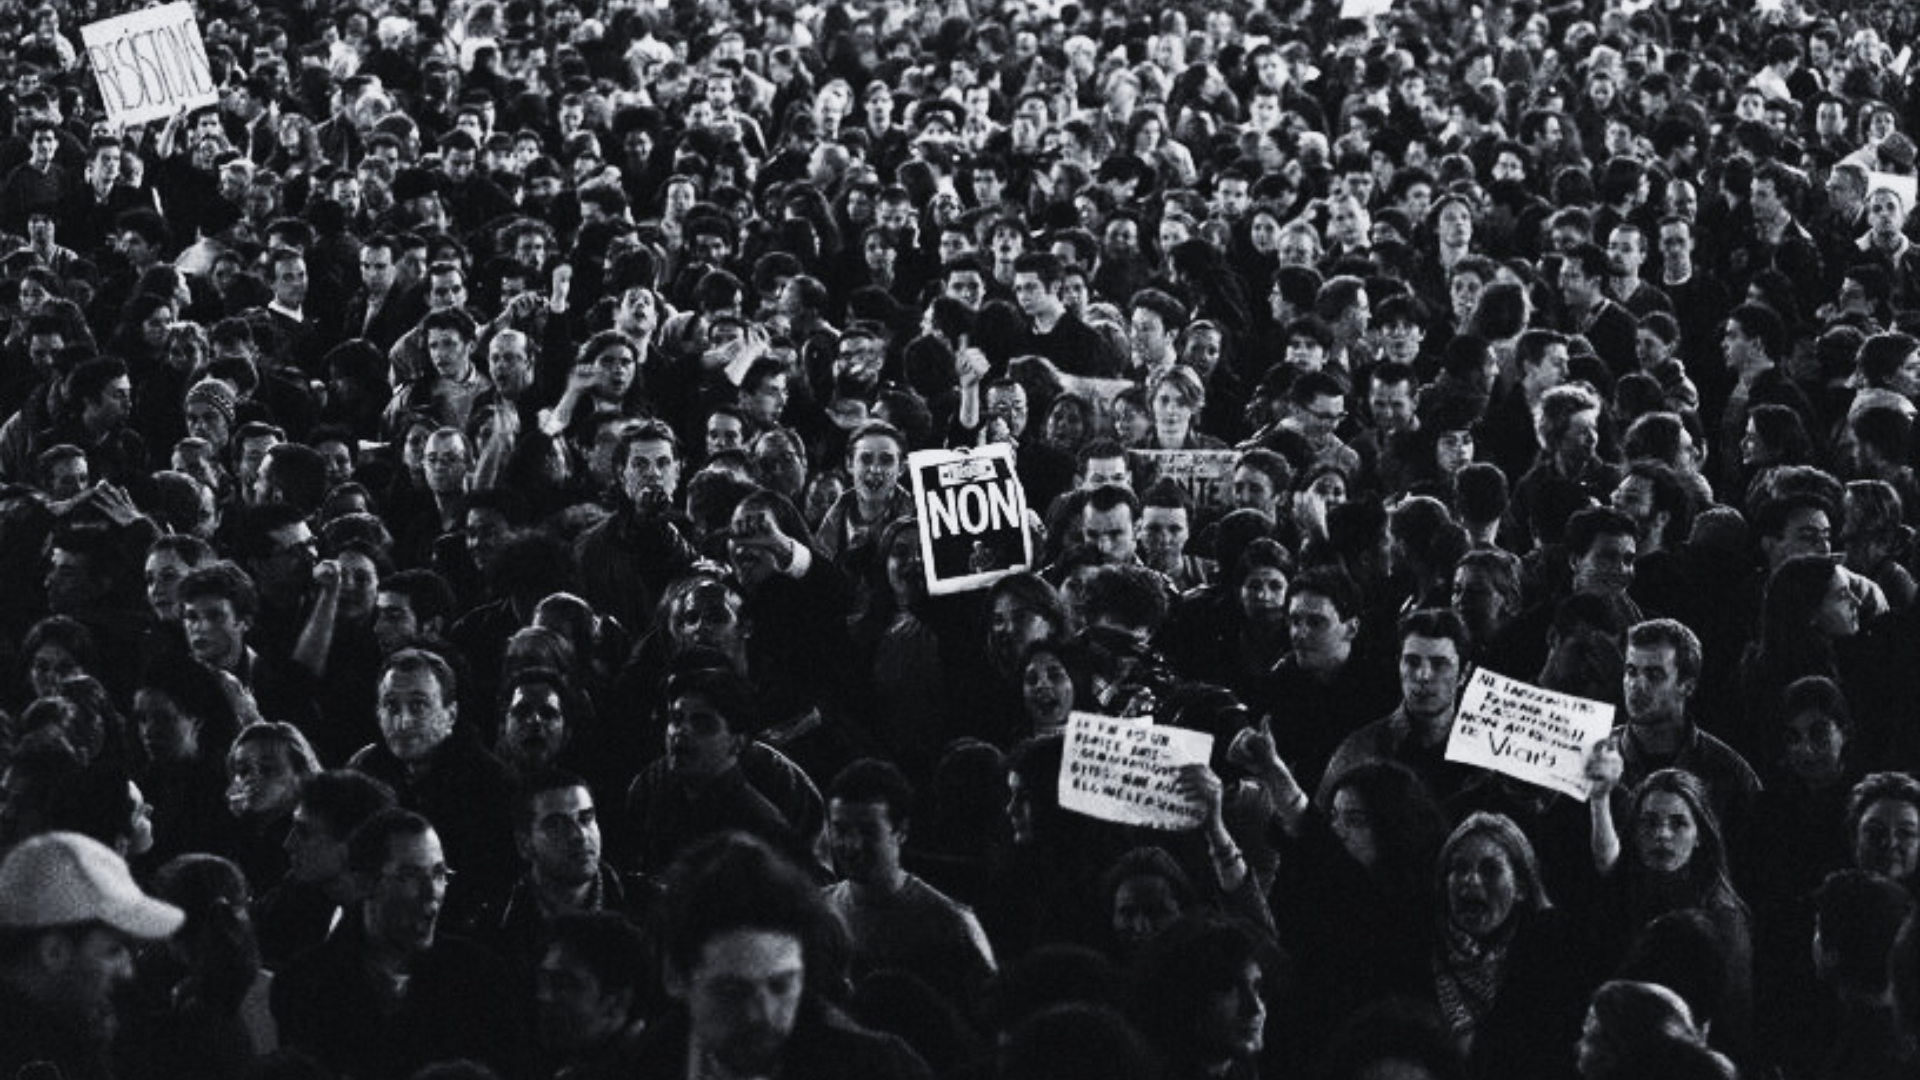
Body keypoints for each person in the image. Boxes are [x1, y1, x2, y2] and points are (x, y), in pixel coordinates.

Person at [628, 830, 932, 1080]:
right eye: (732, 992)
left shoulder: (878, 1071)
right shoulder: (633, 1069)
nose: (762, 1014)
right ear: (675, 977)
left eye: (781, 985)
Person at [271, 808, 531, 1080]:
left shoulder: (479, 975)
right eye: (409, 875)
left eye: (440, 873)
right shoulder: (304, 985)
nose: (432, 893)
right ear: (365, 883)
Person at [0, 831, 185, 1080]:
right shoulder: (29, 1057)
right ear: (54, 952)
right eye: (113, 950)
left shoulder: (61, 1034)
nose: (127, 970)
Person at [822, 758, 996, 1013]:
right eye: (840, 829)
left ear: (901, 831)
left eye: (868, 831)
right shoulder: (817, 914)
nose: (852, 845)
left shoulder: (951, 926)